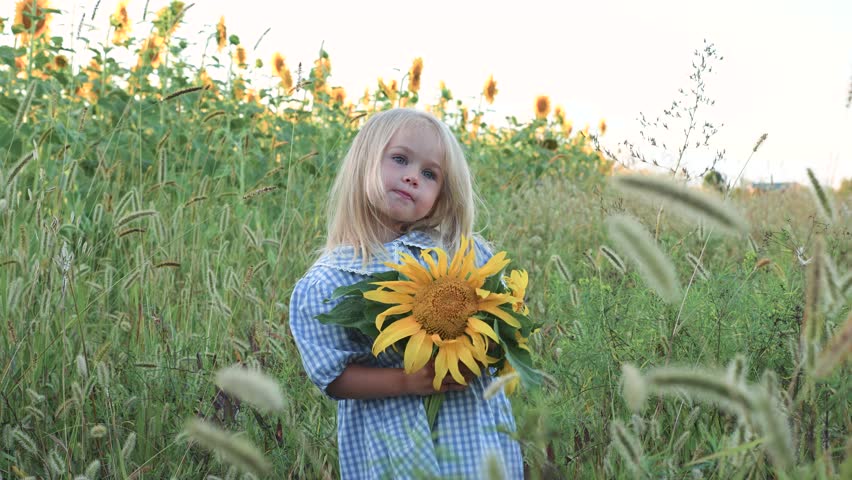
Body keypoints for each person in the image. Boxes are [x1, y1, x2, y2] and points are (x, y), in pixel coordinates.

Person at [289, 108, 523, 479]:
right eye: (400, 159)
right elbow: (333, 377)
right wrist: (407, 381)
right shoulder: (330, 280)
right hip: (394, 440)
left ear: (443, 193)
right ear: (364, 163)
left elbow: (500, 324)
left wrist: (485, 351)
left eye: (430, 174)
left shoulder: (460, 252)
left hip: (473, 435)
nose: (413, 177)